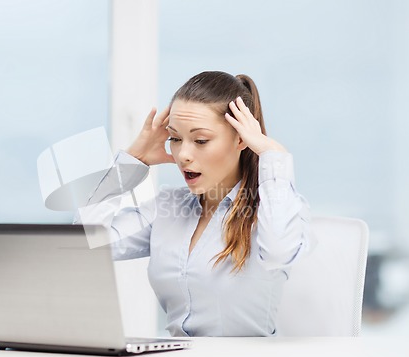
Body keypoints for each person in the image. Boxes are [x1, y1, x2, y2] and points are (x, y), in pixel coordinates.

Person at [74, 71, 314, 337]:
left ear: (240, 139)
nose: (183, 155)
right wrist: (132, 161)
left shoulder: (274, 210)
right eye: (175, 139)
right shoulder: (168, 207)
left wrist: (273, 155)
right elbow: (87, 241)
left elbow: (280, 251)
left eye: (200, 140)